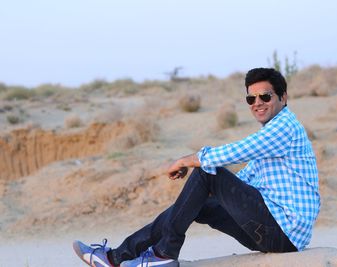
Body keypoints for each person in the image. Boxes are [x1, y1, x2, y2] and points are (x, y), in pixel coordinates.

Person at [73, 68, 320, 267]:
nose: (257, 103)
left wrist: (186, 161)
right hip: (270, 229)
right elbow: (244, 181)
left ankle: (163, 254)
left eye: (265, 96)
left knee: (206, 171)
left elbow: (236, 152)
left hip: (281, 232)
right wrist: (200, 193)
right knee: (196, 200)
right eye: (251, 98)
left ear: (283, 97)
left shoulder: (284, 127)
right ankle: (118, 258)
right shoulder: (272, 135)